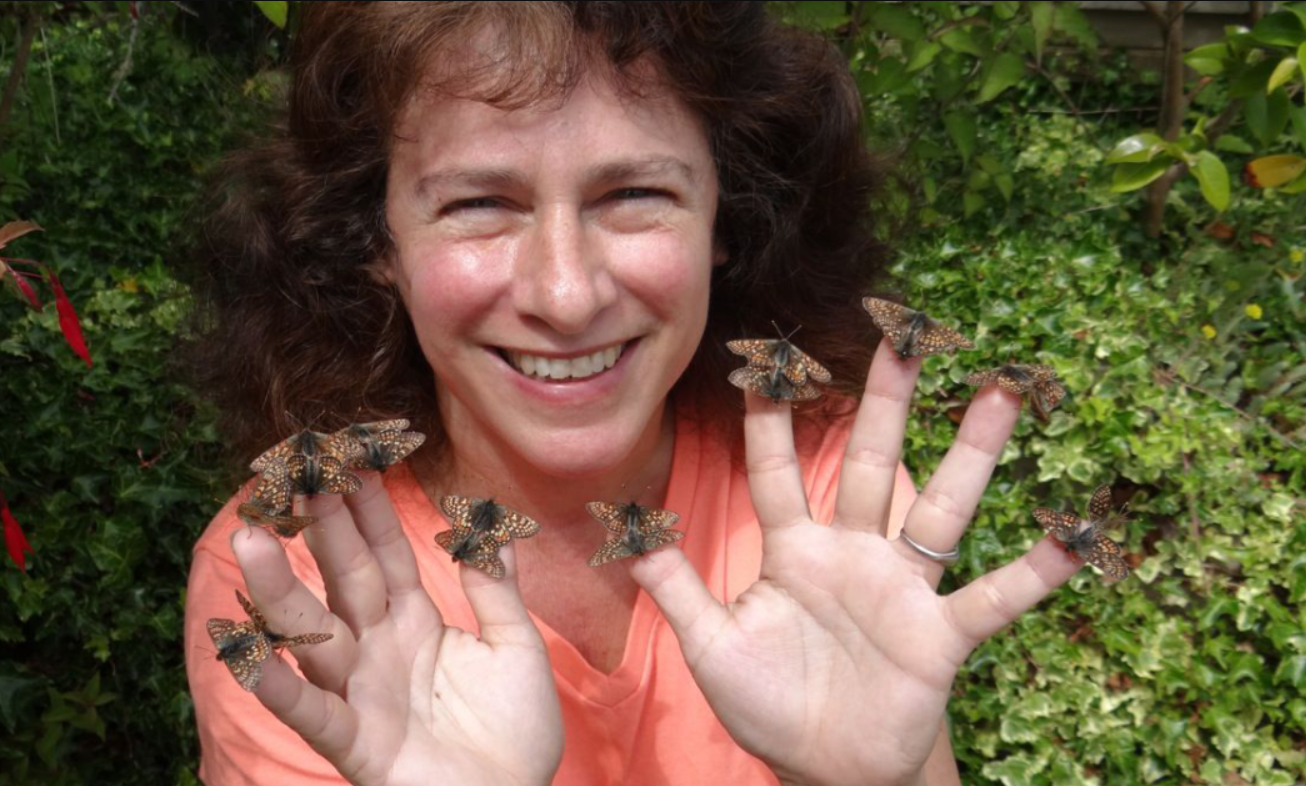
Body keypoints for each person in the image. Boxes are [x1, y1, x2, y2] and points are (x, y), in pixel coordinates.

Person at [182, 3, 1082, 784]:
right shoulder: (288, 579)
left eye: (633, 193)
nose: (566, 295)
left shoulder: (822, 486)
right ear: (377, 242)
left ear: (727, 219)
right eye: (478, 205)